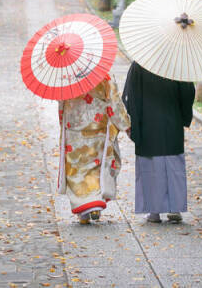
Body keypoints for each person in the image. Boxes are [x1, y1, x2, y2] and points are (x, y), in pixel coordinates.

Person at [122, 61, 194, 223]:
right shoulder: (178, 63)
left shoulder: (140, 64)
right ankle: (175, 209)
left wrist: (132, 124)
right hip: (172, 122)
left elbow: (130, 96)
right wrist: (183, 116)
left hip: (147, 124)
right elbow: (188, 93)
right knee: (173, 165)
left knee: (151, 167)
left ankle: (153, 211)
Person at [57, 76, 131, 224]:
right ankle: (95, 204)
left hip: (74, 126)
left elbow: (61, 104)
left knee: (77, 168)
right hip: (97, 127)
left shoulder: (66, 75)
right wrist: (125, 123)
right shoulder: (104, 74)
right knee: (96, 165)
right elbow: (114, 101)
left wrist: (63, 123)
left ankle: (83, 213)